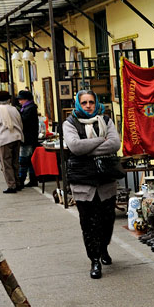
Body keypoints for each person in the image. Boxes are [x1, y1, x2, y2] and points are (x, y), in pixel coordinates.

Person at [63, 90, 121, 279]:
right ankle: (94, 260)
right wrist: (98, 141)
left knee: (107, 221)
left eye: (91, 102)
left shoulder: (105, 119)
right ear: (78, 104)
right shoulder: (70, 123)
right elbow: (75, 147)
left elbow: (114, 144)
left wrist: (87, 146)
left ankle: (103, 247)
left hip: (105, 180)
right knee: (88, 224)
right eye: (84, 102)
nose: (88, 106)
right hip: (83, 182)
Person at [0, 90, 23, 193]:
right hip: (16, 137)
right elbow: (20, 123)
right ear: (9, 99)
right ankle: (18, 182)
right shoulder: (14, 109)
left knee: (6, 163)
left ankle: (11, 185)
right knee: (15, 162)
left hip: (4, 139)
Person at [17, 89, 39, 188]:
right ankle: (32, 179)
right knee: (29, 160)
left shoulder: (29, 109)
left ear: (26, 99)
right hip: (30, 137)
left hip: (28, 138)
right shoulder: (29, 107)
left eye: (21, 99)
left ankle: (22, 179)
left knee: (24, 159)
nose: (19, 101)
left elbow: (24, 121)